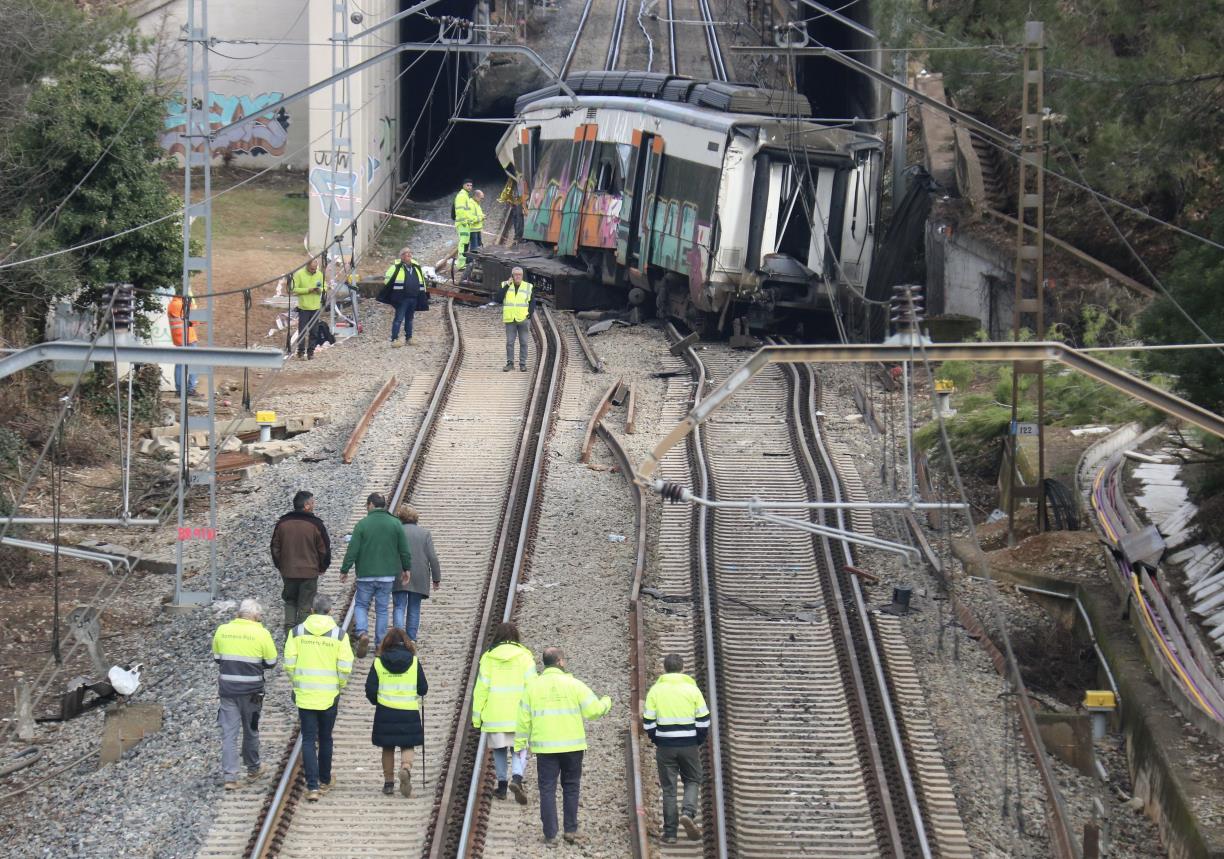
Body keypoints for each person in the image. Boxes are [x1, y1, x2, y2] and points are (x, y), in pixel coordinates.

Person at [515, 647, 612, 847]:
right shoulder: (573, 684)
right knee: (571, 786)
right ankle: (570, 830)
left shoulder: (532, 687)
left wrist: (519, 744)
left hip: (545, 749)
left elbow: (523, 720)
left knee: (547, 789)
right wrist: (606, 702)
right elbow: (594, 711)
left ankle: (550, 835)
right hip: (573, 747)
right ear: (560, 661)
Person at [284, 593, 353, 802]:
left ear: (312, 611)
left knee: (308, 739)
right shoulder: (339, 636)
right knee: (325, 738)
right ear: (330, 611)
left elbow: (289, 663)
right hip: (329, 695)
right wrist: (338, 685)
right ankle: (324, 779)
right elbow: (345, 667)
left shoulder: (296, 633)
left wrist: (297, 682)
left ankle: (312, 787)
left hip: (305, 695)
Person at [212, 599, 278, 790]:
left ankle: (230, 777)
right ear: (256, 616)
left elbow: (218, 658)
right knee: (251, 730)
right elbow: (271, 662)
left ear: (239, 614)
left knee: (229, 733)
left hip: (228, 691)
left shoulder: (223, 630)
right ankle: (253, 768)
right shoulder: (261, 633)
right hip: (252, 693)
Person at [643, 653, 709, 843]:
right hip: (689, 744)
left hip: (665, 746)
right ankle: (688, 811)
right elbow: (703, 720)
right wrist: (697, 739)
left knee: (669, 789)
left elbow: (648, 721)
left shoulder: (655, 691)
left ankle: (670, 834)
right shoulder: (692, 690)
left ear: (665, 668)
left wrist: (657, 739)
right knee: (693, 779)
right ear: (682, 668)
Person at [339, 493, 412, 658]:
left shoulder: (362, 525)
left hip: (365, 575)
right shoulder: (395, 523)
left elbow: (353, 550)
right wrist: (406, 568)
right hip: (386, 576)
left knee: (361, 605)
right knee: (382, 610)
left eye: (367, 505)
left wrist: (345, 569)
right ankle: (380, 645)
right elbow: (404, 549)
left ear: (371, 504)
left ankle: (363, 632)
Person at [473, 622, 536, 803]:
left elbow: (481, 689)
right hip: (519, 714)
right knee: (519, 749)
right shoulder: (525, 657)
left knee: (499, 750)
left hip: (495, 714)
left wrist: (477, 717)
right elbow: (532, 686)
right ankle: (516, 778)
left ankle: (501, 786)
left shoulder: (488, 658)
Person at [364, 628, 428, 797]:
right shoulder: (414, 663)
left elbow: (370, 688)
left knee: (387, 746)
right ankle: (406, 768)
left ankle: (388, 783)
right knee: (408, 744)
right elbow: (423, 688)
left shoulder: (378, 662)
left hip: (385, 710)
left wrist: (377, 701)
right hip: (408, 711)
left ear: (387, 642)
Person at [270, 490, 332, 637]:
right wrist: (322, 567)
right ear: (306, 506)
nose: (314, 505)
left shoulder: (282, 523)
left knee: (290, 601)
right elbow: (324, 549)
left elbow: (274, 547)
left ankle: (289, 635)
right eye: (312, 502)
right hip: (309, 573)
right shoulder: (316, 524)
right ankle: (301, 637)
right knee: (306, 605)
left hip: (288, 572)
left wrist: (281, 565)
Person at [393, 504, 442, 640]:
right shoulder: (425, 533)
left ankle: (398, 638)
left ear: (400, 517)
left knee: (399, 606)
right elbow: (432, 556)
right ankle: (411, 639)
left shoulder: (396, 532)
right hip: (420, 575)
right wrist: (436, 578)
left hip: (400, 572)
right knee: (414, 607)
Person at [384, 248, 426, 348]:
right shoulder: (395, 267)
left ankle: (409, 338)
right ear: (401, 256)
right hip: (401, 298)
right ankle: (394, 339)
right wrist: (394, 294)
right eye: (405, 254)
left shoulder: (416, 267)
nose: (408, 255)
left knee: (410, 319)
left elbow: (422, 280)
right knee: (398, 319)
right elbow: (387, 281)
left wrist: (423, 294)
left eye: (409, 253)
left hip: (413, 297)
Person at [497, 267, 534, 373]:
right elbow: (498, 298)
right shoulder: (505, 285)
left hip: (523, 319)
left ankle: (523, 364)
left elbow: (532, 302)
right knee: (510, 342)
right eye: (515, 274)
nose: (517, 276)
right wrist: (508, 285)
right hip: (510, 319)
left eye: (519, 275)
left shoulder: (528, 286)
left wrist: (529, 314)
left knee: (524, 342)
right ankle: (510, 363)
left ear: (522, 276)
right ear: (512, 275)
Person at [291, 257, 326, 360]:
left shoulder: (319, 274)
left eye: (315, 269)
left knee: (314, 331)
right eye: (311, 269)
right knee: (302, 331)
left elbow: (325, 286)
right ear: (307, 266)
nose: (313, 271)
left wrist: (320, 290)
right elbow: (293, 289)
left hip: (316, 307)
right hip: (304, 307)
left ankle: (311, 352)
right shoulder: (299, 274)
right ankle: (300, 352)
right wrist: (308, 290)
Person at [167, 289, 200, 396]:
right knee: (194, 363)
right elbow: (195, 320)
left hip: (178, 338)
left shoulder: (172, 304)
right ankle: (191, 389)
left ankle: (180, 390)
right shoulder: (182, 304)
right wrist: (193, 306)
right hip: (188, 337)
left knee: (180, 364)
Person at [453, 179, 475, 269]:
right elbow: (460, 211)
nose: (470, 187)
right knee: (463, 244)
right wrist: (464, 222)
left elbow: (467, 211)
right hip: (463, 224)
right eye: (468, 185)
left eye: (471, 185)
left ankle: (462, 263)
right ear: (463, 186)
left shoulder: (465, 195)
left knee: (465, 243)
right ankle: (461, 264)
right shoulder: (462, 196)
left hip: (465, 224)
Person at [497, 175, 524, 242]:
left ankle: (518, 236)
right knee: (517, 217)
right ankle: (517, 236)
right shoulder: (514, 178)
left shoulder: (516, 177)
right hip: (516, 200)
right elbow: (510, 188)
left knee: (518, 217)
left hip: (518, 199)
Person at [468, 190, 486, 254]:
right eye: (481, 198)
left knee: (478, 247)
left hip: (477, 229)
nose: (481, 200)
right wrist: (481, 218)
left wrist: (482, 216)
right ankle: (471, 262)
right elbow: (471, 219)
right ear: (476, 196)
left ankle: (476, 261)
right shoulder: (470, 204)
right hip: (473, 230)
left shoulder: (476, 203)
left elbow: (477, 215)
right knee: (474, 248)